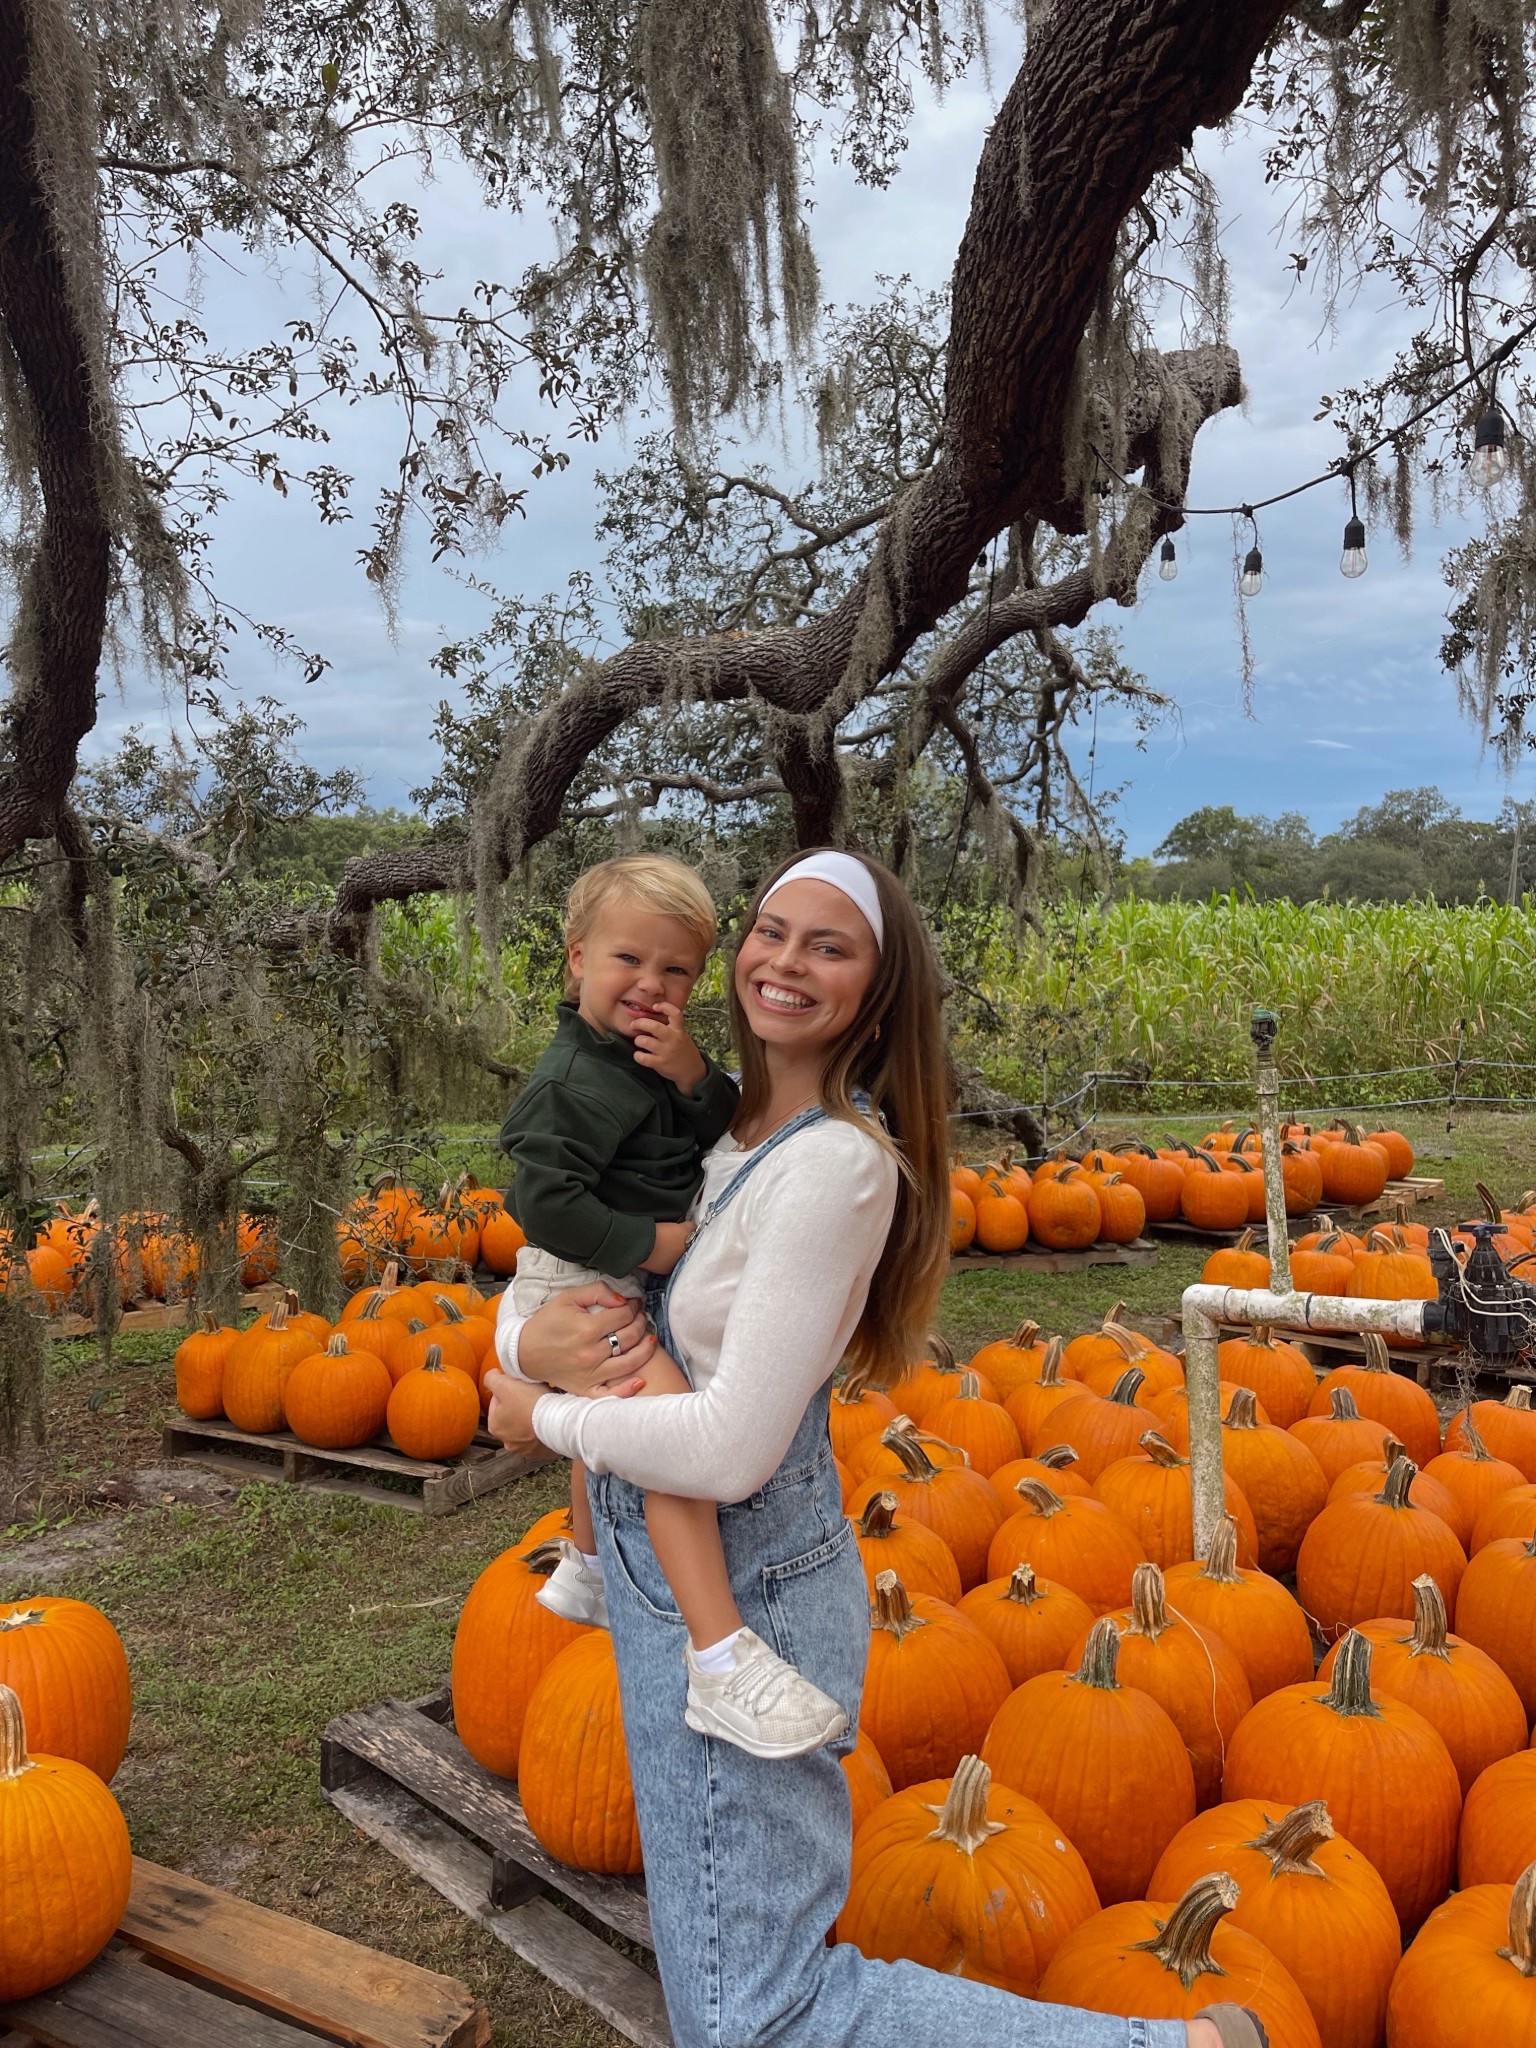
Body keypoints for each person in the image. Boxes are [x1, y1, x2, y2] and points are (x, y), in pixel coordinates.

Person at [484, 848, 1269, 2048]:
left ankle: (1176, 2044)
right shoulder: (721, 1121)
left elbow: (731, 1442)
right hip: (667, 1581)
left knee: (757, 2013)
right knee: (721, 2001)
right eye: (771, 929)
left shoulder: (835, 1163)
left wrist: (532, 1410)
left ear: (880, 991)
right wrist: (527, 1337)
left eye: (829, 943)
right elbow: (574, 1276)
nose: (784, 959)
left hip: (740, 1586)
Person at [497, 852, 848, 1758]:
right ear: (576, 959)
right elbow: (543, 1205)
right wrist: (660, 1246)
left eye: (676, 970)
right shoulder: (572, 1082)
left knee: (608, 1420)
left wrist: (694, 1074)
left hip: (618, 1276)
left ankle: (584, 1568)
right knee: (670, 1449)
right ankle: (721, 1654)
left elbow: (709, 1129)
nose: (650, 985)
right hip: (585, 1277)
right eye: (627, 961)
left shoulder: (645, 1056)